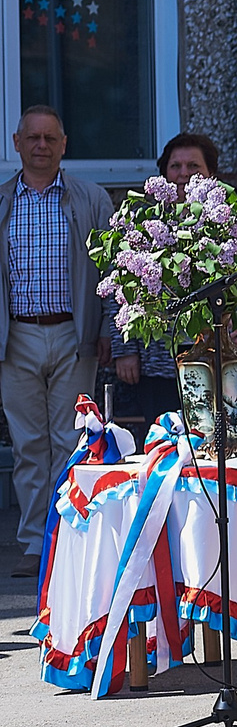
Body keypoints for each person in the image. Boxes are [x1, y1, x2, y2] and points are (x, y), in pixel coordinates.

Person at [3, 106, 112, 573]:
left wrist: (108, 330)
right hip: (16, 336)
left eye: (50, 138)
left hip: (74, 333)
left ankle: (68, 541)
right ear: (17, 143)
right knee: (28, 445)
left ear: (64, 144)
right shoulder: (3, 201)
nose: (41, 146)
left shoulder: (91, 198)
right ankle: (33, 543)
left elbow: (114, 272)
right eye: (33, 138)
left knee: (71, 441)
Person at [110, 134, 224, 429]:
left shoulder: (225, 225)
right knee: (162, 444)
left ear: (211, 174)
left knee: (209, 445)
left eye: (193, 166)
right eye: (175, 166)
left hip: (210, 361)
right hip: (157, 363)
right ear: (163, 174)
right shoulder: (143, 225)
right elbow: (120, 291)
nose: (184, 174)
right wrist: (125, 351)